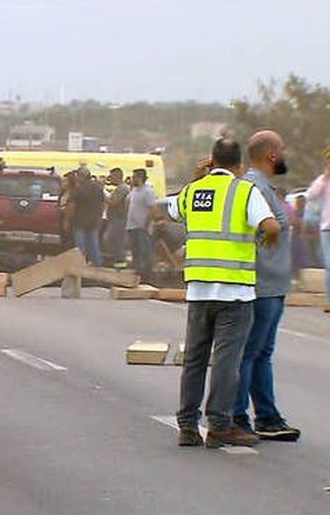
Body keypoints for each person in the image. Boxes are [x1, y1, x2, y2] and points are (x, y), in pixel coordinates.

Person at [171, 138, 280, 448]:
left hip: (199, 290)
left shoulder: (193, 190)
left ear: (211, 161)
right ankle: (219, 425)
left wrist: (198, 178)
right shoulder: (246, 191)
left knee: (194, 359)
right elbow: (271, 225)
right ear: (239, 165)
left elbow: (174, 211)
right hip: (234, 293)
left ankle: (188, 427)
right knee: (225, 361)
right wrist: (265, 240)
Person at [228, 131, 301, 440]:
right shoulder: (255, 187)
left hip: (273, 283)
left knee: (260, 352)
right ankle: (239, 417)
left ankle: (267, 416)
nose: (284, 155)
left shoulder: (263, 186)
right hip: (262, 285)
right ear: (272, 154)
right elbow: (259, 233)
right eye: (281, 149)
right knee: (250, 352)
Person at [305, 146, 330, 306]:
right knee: (329, 264)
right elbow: (310, 195)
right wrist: (324, 178)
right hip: (327, 227)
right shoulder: (324, 180)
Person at [67, 167, 105, 267]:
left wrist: (67, 220)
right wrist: (99, 218)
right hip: (94, 221)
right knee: (94, 245)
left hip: (79, 222)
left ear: (81, 176)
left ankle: (81, 266)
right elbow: (102, 205)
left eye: (78, 176)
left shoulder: (78, 189)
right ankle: (97, 266)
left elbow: (72, 206)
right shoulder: (98, 188)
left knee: (80, 246)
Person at [127, 169, 158, 280]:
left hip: (142, 227)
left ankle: (147, 275)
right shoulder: (134, 191)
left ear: (140, 178)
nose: (132, 179)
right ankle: (137, 273)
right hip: (131, 226)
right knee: (135, 251)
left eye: (134, 177)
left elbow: (152, 209)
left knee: (144, 250)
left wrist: (146, 224)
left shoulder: (148, 191)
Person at [104, 168, 130, 268]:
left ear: (117, 176)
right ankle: (118, 262)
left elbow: (113, 203)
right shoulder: (119, 188)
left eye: (111, 177)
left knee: (116, 240)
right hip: (115, 219)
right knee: (112, 239)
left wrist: (104, 195)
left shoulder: (122, 188)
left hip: (119, 219)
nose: (110, 179)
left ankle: (120, 264)